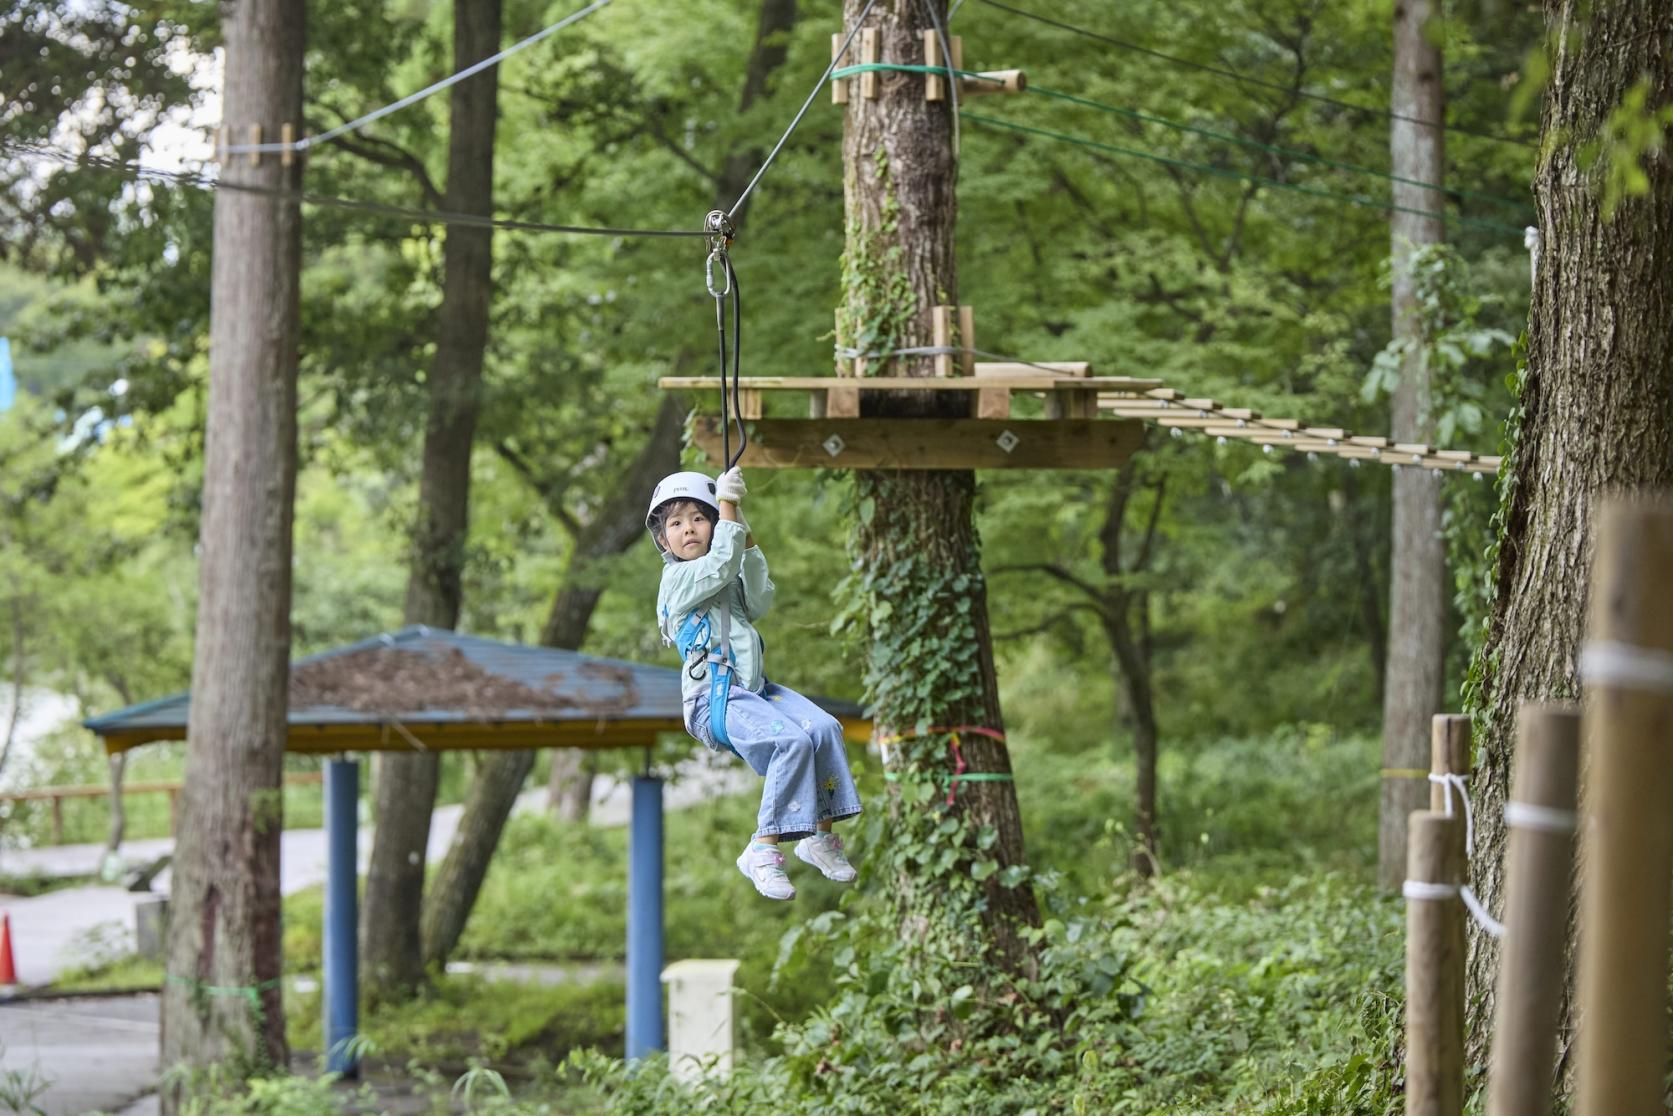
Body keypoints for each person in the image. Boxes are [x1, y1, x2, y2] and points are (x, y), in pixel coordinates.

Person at [646, 467, 862, 901]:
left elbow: (759, 597)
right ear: (663, 541)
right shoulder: (676, 581)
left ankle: (818, 836)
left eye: (699, 518)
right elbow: (721, 566)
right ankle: (762, 849)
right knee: (791, 744)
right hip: (715, 699)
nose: (688, 528)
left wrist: (743, 531)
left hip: (753, 690)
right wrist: (725, 511)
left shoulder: (724, 578)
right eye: (676, 523)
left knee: (822, 729)